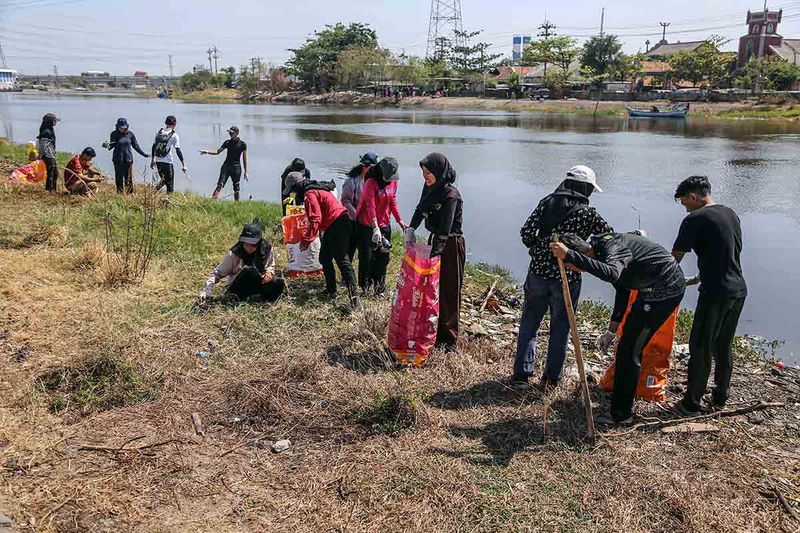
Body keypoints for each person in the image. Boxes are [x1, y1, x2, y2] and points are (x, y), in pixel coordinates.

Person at [551, 231, 686, 424]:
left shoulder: (611, 250)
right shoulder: (601, 249)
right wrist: (611, 330)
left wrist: (570, 255)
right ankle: (623, 396)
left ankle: (622, 415)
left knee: (629, 350)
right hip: (648, 290)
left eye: (569, 266)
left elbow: (612, 273)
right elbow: (622, 288)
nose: (570, 269)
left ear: (576, 260)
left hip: (664, 292)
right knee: (627, 346)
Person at [513, 165, 613, 389]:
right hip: (567, 277)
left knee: (530, 323)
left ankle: (521, 376)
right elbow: (609, 238)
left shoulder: (547, 202)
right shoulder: (588, 213)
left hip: (538, 273)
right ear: (584, 188)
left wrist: (538, 249)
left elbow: (527, 232)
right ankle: (551, 380)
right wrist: (588, 255)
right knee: (561, 327)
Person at [671, 176, 747, 415]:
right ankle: (720, 398)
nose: (685, 207)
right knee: (723, 345)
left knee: (700, 346)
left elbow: (674, 259)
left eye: (685, 202)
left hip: (715, 293)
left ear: (693, 197)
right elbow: (731, 250)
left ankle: (691, 402)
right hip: (738, 289)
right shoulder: (730, 213)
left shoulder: (694, 219)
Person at [405, 153, 464, 355]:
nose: (426, 177)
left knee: (449, 291)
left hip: (451, 245)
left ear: (439, 172)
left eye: (429, 173)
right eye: (423, 173)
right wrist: (411, 228)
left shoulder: (450, 194)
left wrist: (435, 257)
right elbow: (421, 209)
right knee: (433, 292)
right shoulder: (430, 189)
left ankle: (449, 341)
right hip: (436, 243)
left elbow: (445, 230)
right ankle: (433, 333)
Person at [283, 171, 359, 309]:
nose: (294, 193)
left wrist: (307, 240)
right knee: (324, 258)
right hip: (335, 225)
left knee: (342, 261)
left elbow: (316, 218)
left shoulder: (309, 194)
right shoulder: (315, 187)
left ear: (296, 186)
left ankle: (355, 300)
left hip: (338, 225)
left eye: (293, 190)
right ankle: (331, 290)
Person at [355, 157, 407, 294]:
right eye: (388, 176)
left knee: (383, 258)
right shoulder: (370, 183)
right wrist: (375, 227)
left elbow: (393, 201)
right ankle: (365, 287)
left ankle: (379, 288)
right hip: (367, 224)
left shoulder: (393, 183)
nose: (390, 179)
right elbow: (370, 205)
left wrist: (399, 220)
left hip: (384, 224)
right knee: (367, 257)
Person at [199, 223, 285, 303]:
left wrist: (269, 273)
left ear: (258, 242)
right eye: (246, 244)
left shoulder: (267, 248)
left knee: (279, 282)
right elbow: (217, 273)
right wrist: (207, 290)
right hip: (238, 287)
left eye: (252, 244)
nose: (248, 247)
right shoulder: (235, 253)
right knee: (249, 270)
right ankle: (234, 298)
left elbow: (270, 266)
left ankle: (259, 299)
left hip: (258, 283)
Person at [342, 152, 378, 260]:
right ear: (365, 166)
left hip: (367, 222)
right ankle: (346, 274)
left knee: (366, 251)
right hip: (353, 220)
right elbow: (345, 201)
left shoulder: (373, 181)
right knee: (350, 249)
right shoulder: (352, 181)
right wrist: (356, 215)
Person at [200, 126, 249, 201]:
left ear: (237, 133)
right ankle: (212, 202)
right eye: (229, 132)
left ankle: (237, 205)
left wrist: (246, 172)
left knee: (236, 187)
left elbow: (244, 158)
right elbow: (217, 152)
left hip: (236, 168)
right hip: (226, 166)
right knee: (220, 184)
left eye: (231, 133)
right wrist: (207, 152)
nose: (230, 134)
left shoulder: (242, 144)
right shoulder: (227, 142)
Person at [102, 117, 150, 194]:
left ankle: (130, 194)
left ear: (127, 127)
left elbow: (136, 146)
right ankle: (120, 195)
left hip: (128, 160)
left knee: (128, 179)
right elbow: (111, 146)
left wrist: (144, 154)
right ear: (117, 127)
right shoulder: (114, 134)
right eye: (120, 127)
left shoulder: (130, 134)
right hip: (117, 160)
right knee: (119, 178)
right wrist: (106, 145)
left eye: (124, 127)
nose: (122, 129)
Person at [151, 115, 187, 193]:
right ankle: (169, 202)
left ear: (165, 123)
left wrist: (152, 160)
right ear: (175, 125)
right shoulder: (174, 135)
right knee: (170, 184)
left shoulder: (158, 132)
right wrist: (183, 164)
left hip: (158, 161)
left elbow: (153, 147)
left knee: (164, 180)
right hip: (168, 162)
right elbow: (178, 150)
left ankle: (152, 191)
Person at [37, 113, 59, 192]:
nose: (56, 122)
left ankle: (53, 189)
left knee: (55, 173)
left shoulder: (49, 129)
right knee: (51, 173)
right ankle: (49, 190)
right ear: (50, 121)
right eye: (54, 121)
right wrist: (41, 155)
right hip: (48, 155)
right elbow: (42, 145)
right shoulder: (46, 132)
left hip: (51, 154)